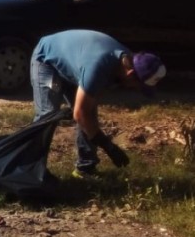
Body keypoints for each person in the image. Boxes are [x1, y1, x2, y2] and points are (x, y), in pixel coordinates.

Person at [31, 29, 166, 179]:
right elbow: (80, 114)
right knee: (47, 115)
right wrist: (108, 147)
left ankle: (85, 169)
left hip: (76, 62)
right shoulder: (100, 66)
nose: (136, 89)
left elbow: (87, 111)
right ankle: (30, 171)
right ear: (131, 74)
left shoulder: (126, 61)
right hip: (46, 58)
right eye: (138, 86)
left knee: (89, 113)